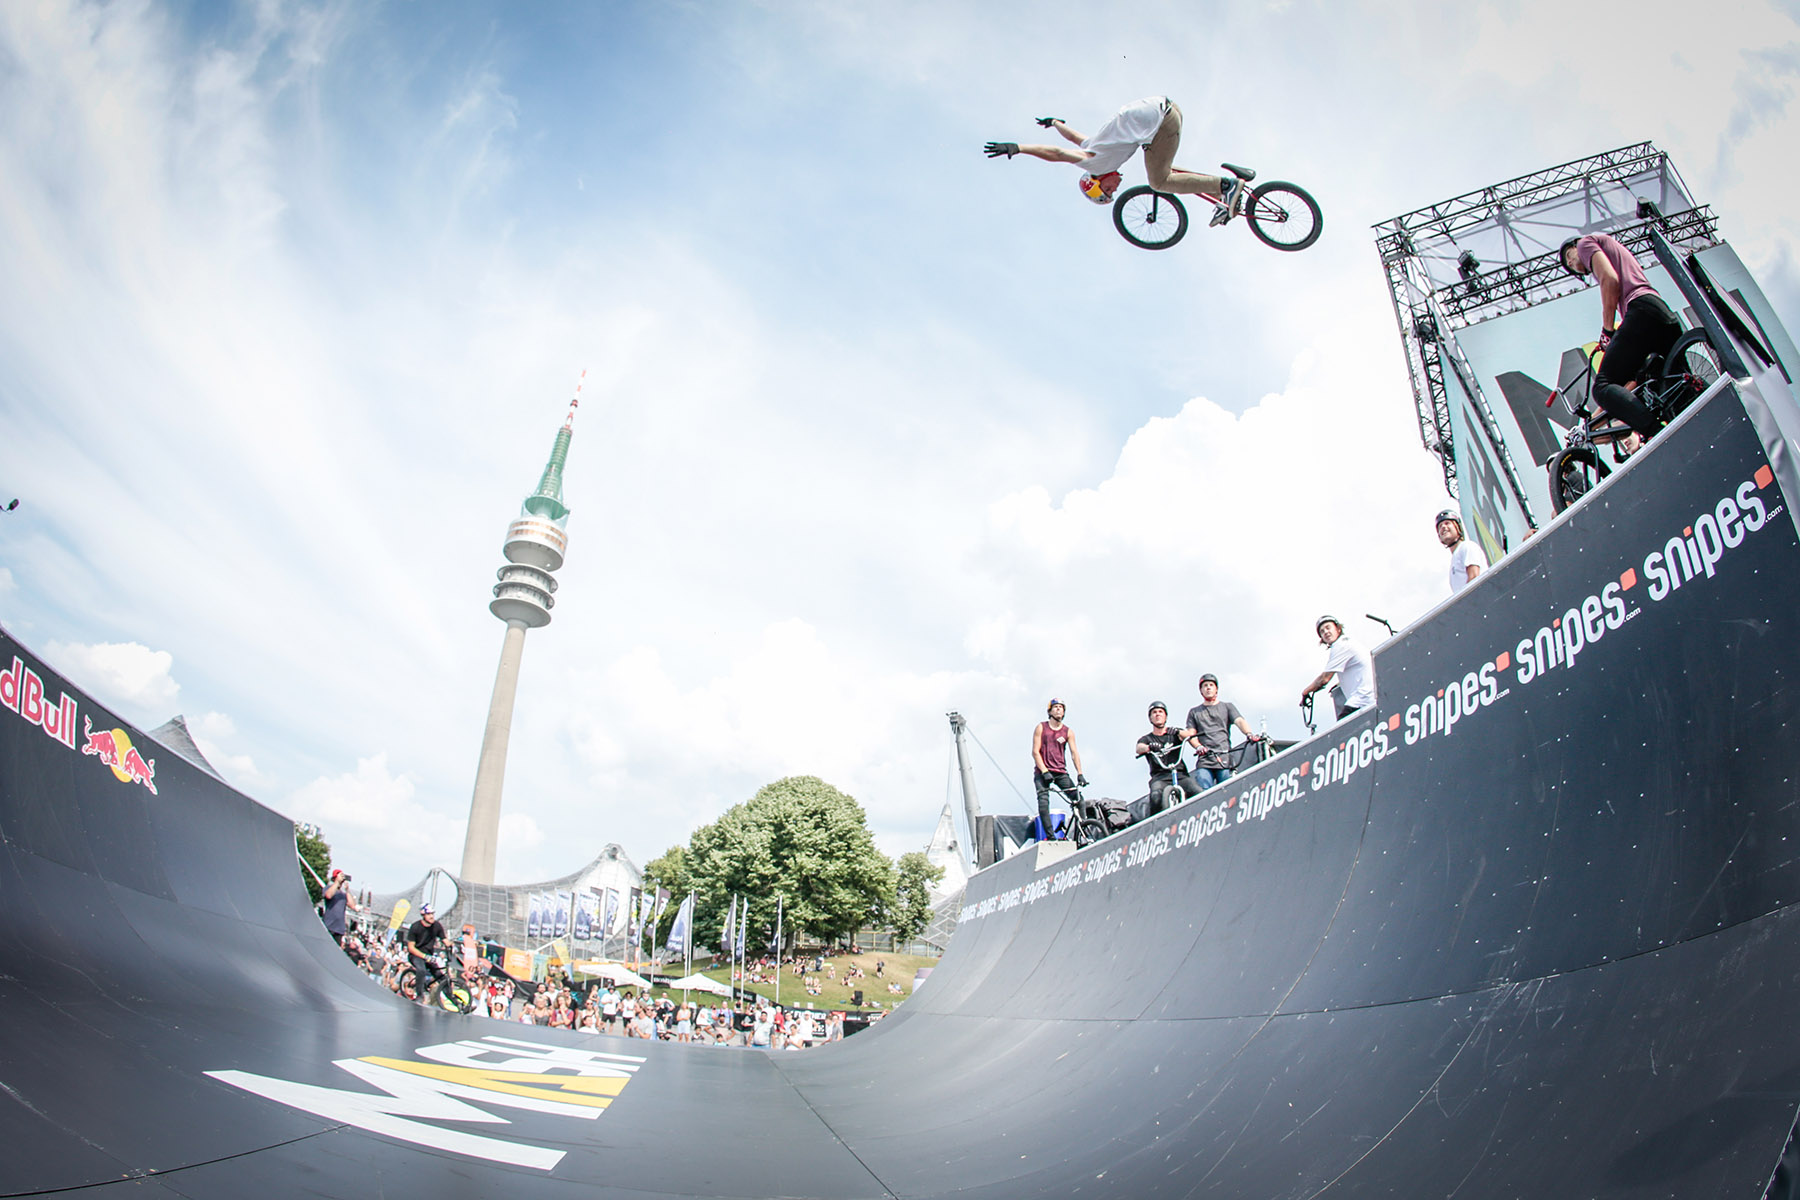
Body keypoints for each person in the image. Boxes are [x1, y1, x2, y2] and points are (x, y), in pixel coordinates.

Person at [984, 98, 1249, 227]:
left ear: (1097, 182)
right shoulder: (1096, 147)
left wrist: (1017, 148)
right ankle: (1220, 193)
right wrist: (1055, 123)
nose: (1115, 189)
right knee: (1164, 170)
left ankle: (1226, 185)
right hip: (1162, 108)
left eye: (1108, 190)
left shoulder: (1093, 164)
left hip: (1157, 120)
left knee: (1158, 181)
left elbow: (1058, 153)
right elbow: (1074, 136)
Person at [1559, 232, 1682, 441]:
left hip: (1641, 309)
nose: (1572, 263)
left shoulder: (1585, 243)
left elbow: (1610, 279)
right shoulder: (1612, 249)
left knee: (1602, 385)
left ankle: (1657, 434)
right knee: (1674, 385)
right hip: (1659, 311)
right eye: (1569, 266)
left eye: (1570, 257)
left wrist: (1607, 330)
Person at [1185, 675, 1262, 790]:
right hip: (1205, 759)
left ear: (1216, 689)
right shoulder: (1194, 712)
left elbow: (1239, 721)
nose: (1208, 688)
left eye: (1211, 685)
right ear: (1201, 690)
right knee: (1203, 789)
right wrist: (1199, 747)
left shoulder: (1227, 707)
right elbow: (1191, 734)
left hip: (1224, 756)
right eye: (1205, 686)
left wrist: (1249, 734)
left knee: (1228, 790)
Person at [1031, 698, 1088, 838]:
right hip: (1043, 772)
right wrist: (1044, 771)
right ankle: (1050, 835)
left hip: (1060, 772)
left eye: (1061, 708)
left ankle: (1084, 830)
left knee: (1079, 799)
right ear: (1049, 711)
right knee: (1043, 803)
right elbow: (1035, 752)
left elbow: (1074, 753)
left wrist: (1080, 773)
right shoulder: (1041, 727)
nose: (1058, 710)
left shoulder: (1068, 732)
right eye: (1055, 707)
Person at [1301, 616, 1376, 720]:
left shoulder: (1340, 645)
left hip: (1362, 699)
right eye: (1322, 631)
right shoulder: (1348, 642)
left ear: (1338, 629)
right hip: (1370, 696)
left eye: (1328, 628)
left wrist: (1305, 692)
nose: (1325, 632)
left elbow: (1324, 679)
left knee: (1342, 730)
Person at [1135, 702, 1200, 814]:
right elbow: (1139, 748)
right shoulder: (1147, 738)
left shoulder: (1174, 733)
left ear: (1165, 716)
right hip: (1160, 777)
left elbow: (1190, 736)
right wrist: (1149, 747)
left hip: (1180, 774)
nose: (1157, 714)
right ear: (1150, 718)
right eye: (1154, 712)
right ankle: (1155, 823)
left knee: (1197, 791)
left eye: (1160, 712)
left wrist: (1178, 732)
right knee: (1156, 796)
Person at [404, 903, 449, 1006]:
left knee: (441, 976)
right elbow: (411, 947)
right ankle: (419, 996)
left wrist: (450, 944)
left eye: (432, 913)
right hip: (416, 955)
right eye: (429, 914)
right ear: (423, 915)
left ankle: (453, 999)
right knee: (421, 970)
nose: (432, 916)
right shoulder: (415, 927)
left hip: (429, 956)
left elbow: (445, 940)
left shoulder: (437, 926)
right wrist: (424, 956)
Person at [1437, 510, 1486, 593]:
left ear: (1457, 527)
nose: (1443, 527)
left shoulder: (1467, 546)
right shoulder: (1454, 560)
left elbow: (1474, 578)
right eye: (1440, 526)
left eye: (1447, 523)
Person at [320, 869, 358, 946]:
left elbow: (353, 905)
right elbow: (328, 895)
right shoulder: (328, 888)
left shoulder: (343, 895)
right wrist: (337, 882)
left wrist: (347, 890)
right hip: (329, 925)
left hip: (339, 928)